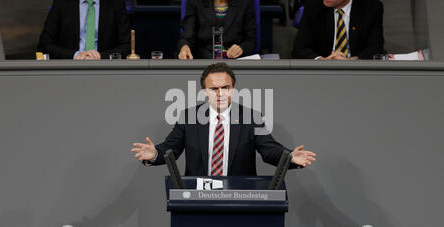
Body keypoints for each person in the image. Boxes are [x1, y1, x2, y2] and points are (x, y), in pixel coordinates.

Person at [131, 63, 317, 177]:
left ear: (233, 89)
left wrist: (290, 157)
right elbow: (171, 148)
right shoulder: (188, 117)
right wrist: (155, 154)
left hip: (240, 195)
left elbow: (270, 150)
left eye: (225, 87)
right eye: (214, 89)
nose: (220, 93)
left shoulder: (250, 118)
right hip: (198, 197)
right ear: (204, 92)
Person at [292, 0, 384, 60]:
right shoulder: (313, 6)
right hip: (323, 68)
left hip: (356, 68)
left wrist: (350, 61)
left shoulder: (371, 8)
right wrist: (323, 60)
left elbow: (375, 48)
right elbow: (299, 49)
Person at [178, 0, 257, 60]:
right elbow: (187, 36)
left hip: (234, 60)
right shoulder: (195, 1)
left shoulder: (245, 1)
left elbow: (251, 40)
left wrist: (242, 48)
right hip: (204, 59)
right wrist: (184, 47)